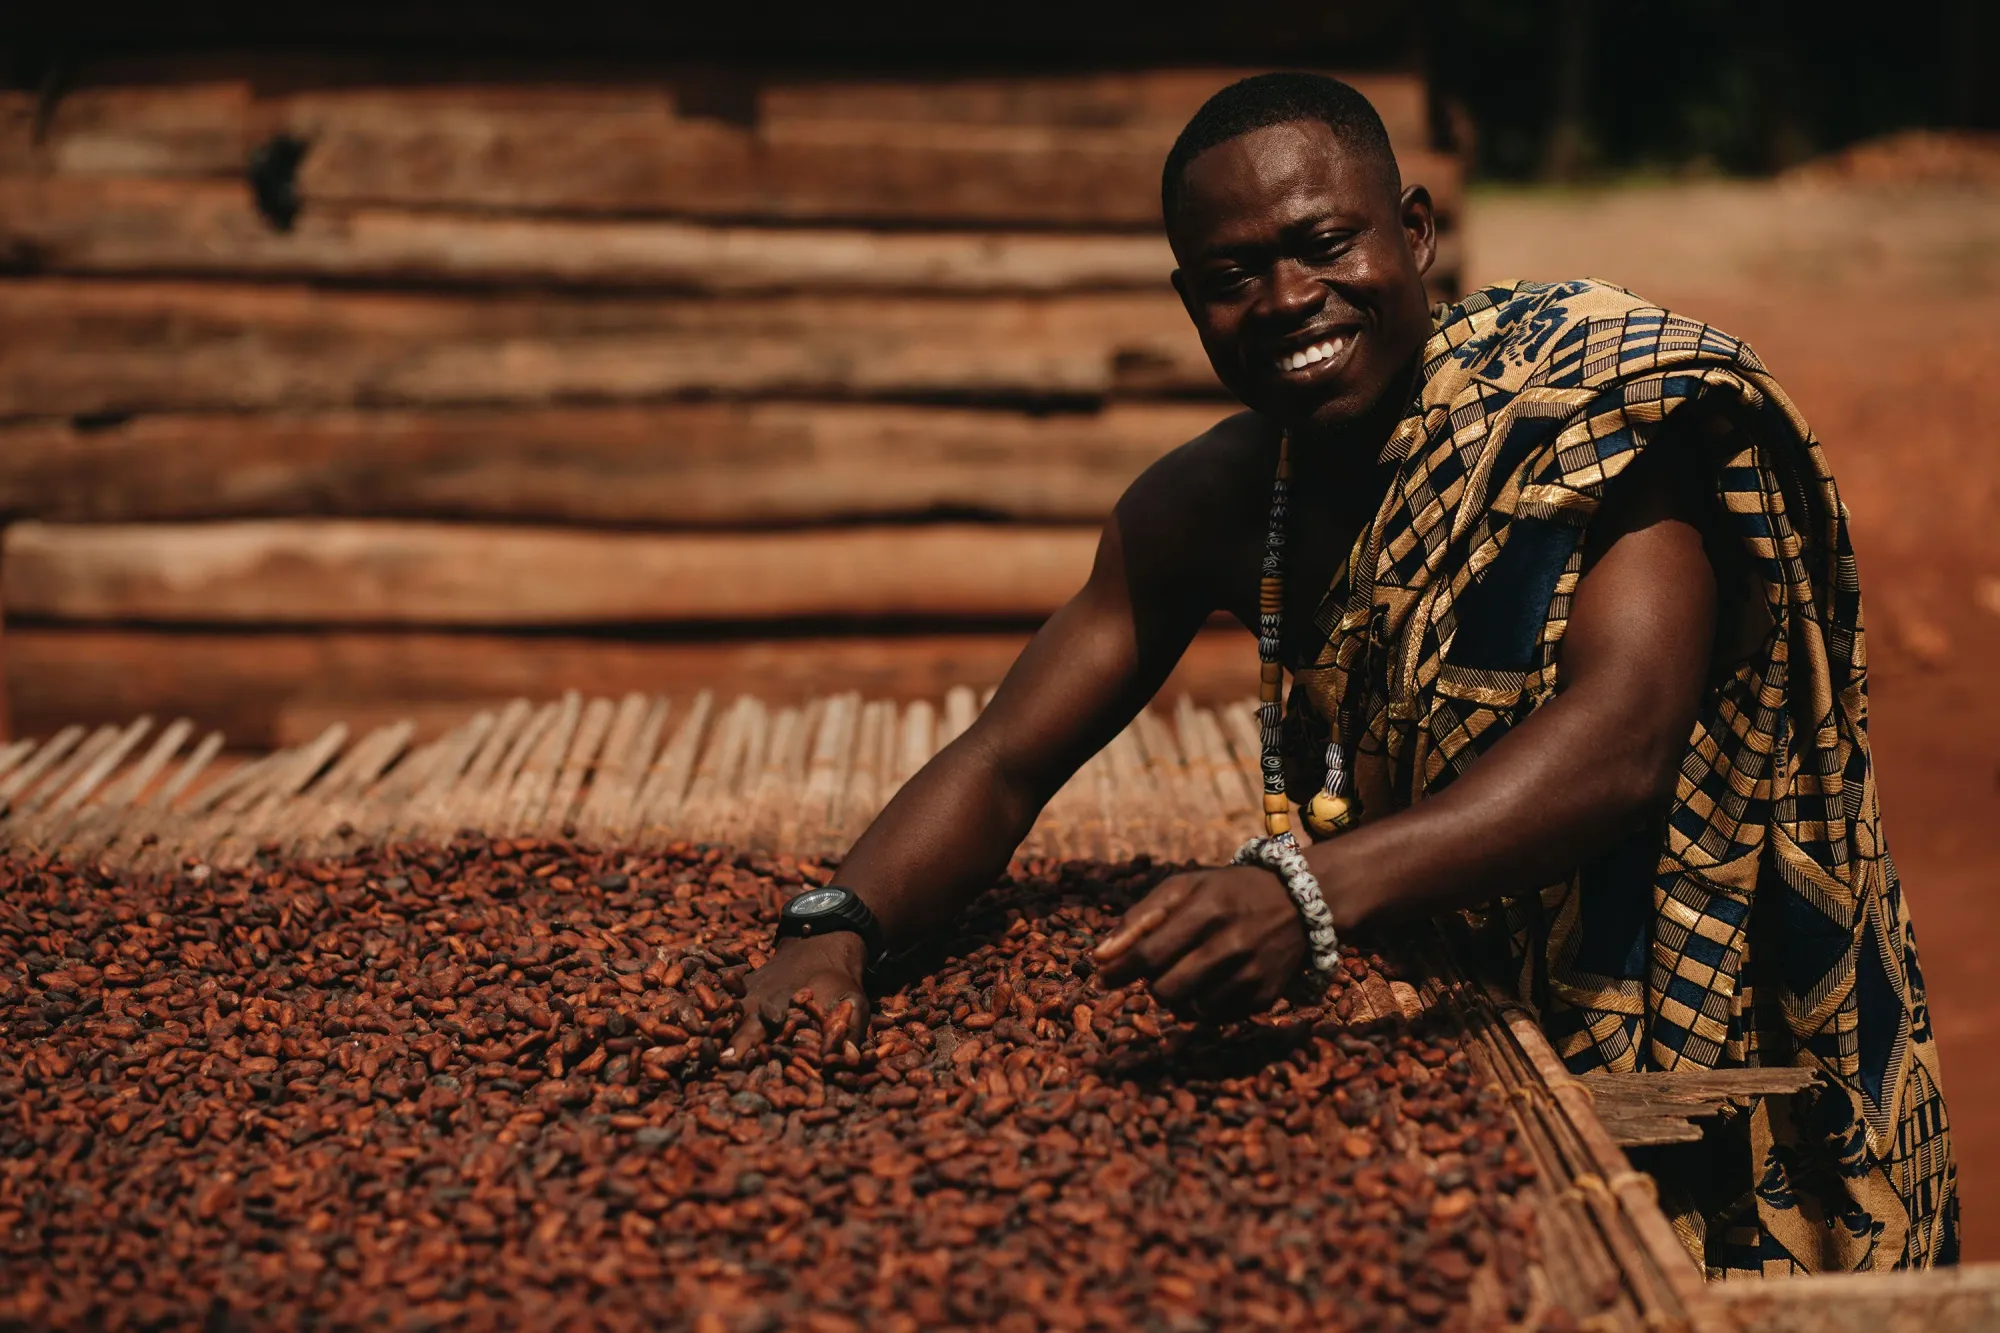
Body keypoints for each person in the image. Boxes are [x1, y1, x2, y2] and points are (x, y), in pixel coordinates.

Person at [726, 73, 1956, 1276]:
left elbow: (1620, 739)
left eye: (1323, 244)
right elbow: (1004, 756)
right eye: (1229, 277)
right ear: (1186, 299)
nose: (1285, 298)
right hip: (1459, 1011)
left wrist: (1301, 894)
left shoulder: (1593, 416)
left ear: (1413, 233)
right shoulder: (1207, 502)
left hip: (1707, 1007)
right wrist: (838, 924)